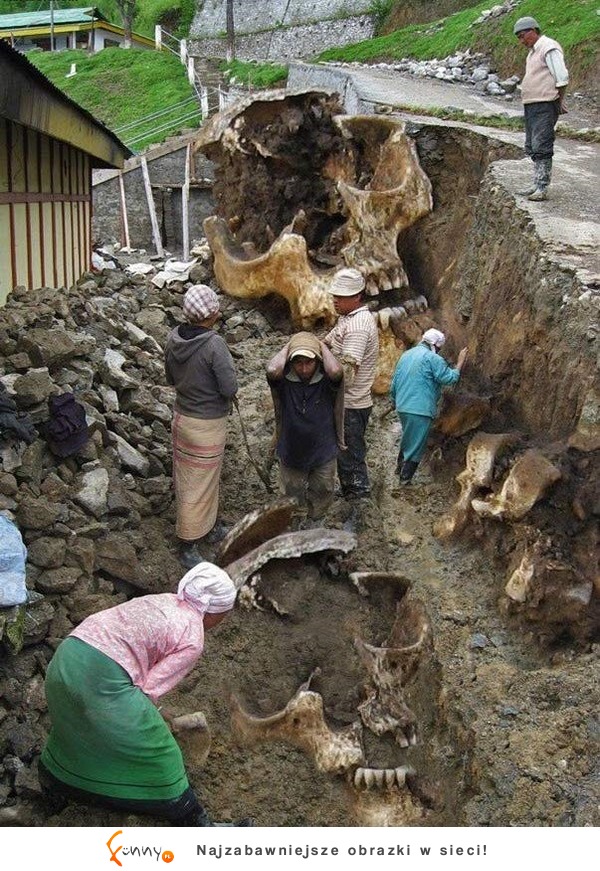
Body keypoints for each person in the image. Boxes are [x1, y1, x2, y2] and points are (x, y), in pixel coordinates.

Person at [38, 562, 252, 826]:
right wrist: (152, 722)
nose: (223, 620)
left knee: (74, 727)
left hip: (67, 657)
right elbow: (148, 689)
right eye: (224, 613)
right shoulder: (193, 636)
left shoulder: (166, 601)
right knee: (162, 754)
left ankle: (53, 779)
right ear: (213, 610)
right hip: (101, 678)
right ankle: (194, 820)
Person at [165, 285, 238, 569]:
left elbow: (170, 378)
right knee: (200, 483)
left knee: (190, 479)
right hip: (207, 424)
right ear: (211, 313)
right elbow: (229, 386)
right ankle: (188, 542)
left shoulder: (174, 338)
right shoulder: (213, 344)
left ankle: (209, 525)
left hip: (183, 419)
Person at [266, 331, 345, 522]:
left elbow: (336, 371)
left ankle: (315, 522)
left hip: (323, 450)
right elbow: (271, 369)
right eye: (298, 362)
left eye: (309, 362)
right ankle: (294, 525)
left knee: (323, 490)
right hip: (292, 451)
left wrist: (320, 345)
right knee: (290, 496)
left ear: (317, 361)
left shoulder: (327, 380)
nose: (303, 368)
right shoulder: (283, 380)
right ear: (291, 363)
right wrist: (291, 344)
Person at [324, 268, 379, 500]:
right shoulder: (347, 318)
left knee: (349, 453)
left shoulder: (358, 327)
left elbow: (346, 374)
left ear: (357, 296)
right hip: (346, 402)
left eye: (341, 297)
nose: (335, 300)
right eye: (334, 295)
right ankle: (349, 488)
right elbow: (326, 342)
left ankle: (358, 496)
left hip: (351, 404)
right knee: (344, 450)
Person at [389, 328, 468, 484]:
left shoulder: (406, 355)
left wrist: (394, 400)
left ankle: (399, 468)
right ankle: (405, 480)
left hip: (403, 406)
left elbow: (394, 383)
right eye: (439, 348)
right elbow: (449, 378)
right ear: (435, 345)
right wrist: (460, 362)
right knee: (417, 444)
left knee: (408, 437)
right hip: (420, 408)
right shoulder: (433, 359)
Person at [514, 16, 569, 202]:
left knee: (542, 144)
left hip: (545, 103)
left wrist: (558, 101)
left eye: (523, 36)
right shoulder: (532, 52)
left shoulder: (549, 47)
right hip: (532, 104)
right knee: (532, 145)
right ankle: (536, 182)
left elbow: (561, 77)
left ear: (533, 30)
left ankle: (542, 187)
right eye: (519, 38)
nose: (522, 41)